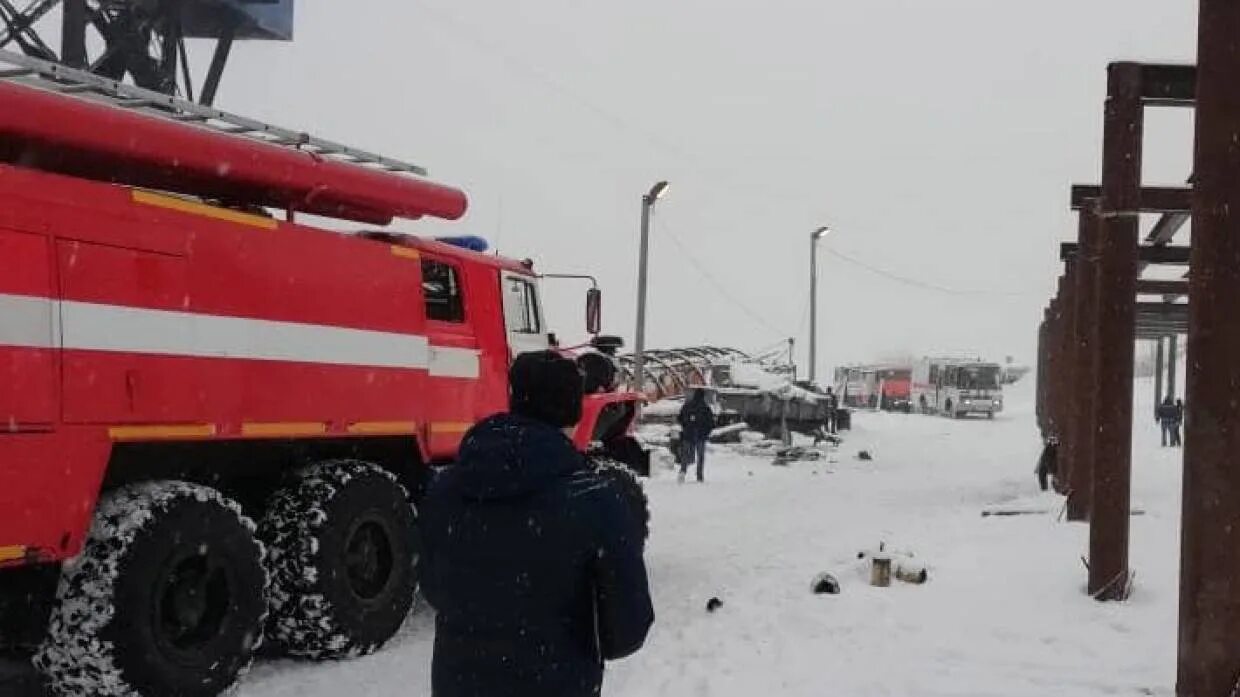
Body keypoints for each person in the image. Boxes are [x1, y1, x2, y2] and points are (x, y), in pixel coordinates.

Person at [419, 351, 654, 697]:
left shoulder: (446, 489)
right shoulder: (595, 498)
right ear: (575, 411)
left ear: (515, 400)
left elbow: (434, 586)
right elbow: (627, 630)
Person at [677, 389, 716, 483]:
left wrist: (686, 427)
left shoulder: (687, 406)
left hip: (688, 434)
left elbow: (680, 418)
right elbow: (711, 423)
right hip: (701, 435)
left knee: (685, 455)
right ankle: (699, 475)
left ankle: (682, 471)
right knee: (700, 456)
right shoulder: (706, 408)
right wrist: (706, 432)